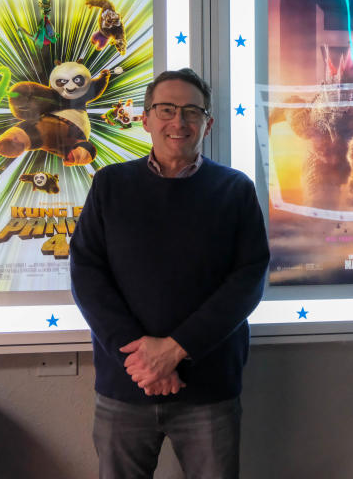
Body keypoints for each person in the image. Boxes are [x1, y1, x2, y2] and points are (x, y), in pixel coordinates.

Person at [70, 68, 270, 479]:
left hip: (209, 391)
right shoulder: (110, 185)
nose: (178, 121)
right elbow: (87, 272)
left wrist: (176, 349)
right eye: (166, 109)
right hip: (126, 383)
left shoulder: (235, 190)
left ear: (207, 124)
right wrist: (142, 359)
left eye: (191, 111)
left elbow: (248, 280)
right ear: (145, 119)